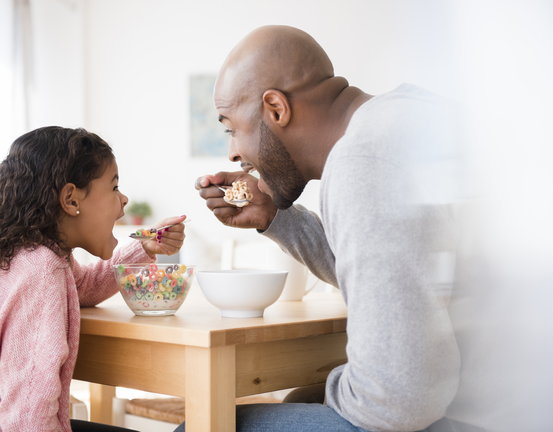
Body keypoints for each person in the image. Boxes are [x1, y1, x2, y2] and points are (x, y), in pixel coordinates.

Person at [186, 25, 477, 432]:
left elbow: (395, 401)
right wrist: (275, 217)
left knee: (201, 426)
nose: (233, 151)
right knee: (300, 398)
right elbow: (393, 271)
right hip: (507, 399)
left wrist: (329, 389)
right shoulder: (404, 116)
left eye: (231, 127)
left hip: (470, 416)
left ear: (276, 109)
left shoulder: (362, 160)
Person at [0, 126, 186, 432]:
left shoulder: (21, 255)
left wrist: (143, 247)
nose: (124, 199)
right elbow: (29, 420)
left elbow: (82, 288)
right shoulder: (41, 272)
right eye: (114, 187)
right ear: (71, 199)